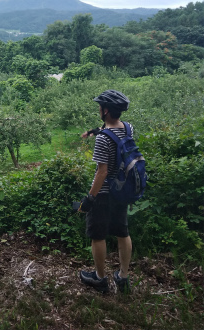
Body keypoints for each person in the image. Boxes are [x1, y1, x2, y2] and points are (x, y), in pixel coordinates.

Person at [78, 90, 132, 294]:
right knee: (122, 232)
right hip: (123, 190)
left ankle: (100, 279)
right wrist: (94, 131)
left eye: (100, 107)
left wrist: (90, 198)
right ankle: (123, 277)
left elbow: (102, 172)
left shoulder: (103, 140)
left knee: (98, 236)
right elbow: (111, 132)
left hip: (104, 193)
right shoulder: (128, 129)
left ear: (106, 110)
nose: (98, 109)